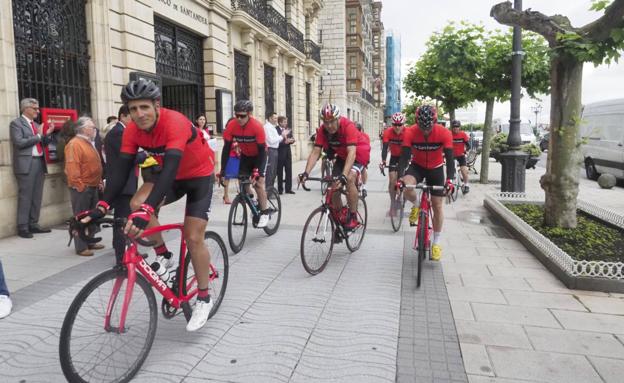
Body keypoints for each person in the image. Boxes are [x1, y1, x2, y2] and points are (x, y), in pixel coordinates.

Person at [80, 79, 217, 332]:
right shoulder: (132, 131)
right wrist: (100, 207)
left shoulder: (173, 122)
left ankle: (204, 297)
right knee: (136, 202)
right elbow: (120, 172)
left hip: (199, 177)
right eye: (133, 109)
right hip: (172, 177)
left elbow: (172, 166)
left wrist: (149, 210)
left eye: (144, 107)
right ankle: (165, 256)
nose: (139, 114)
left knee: (193, 237)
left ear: (156, 105)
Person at [299, 103, 370, 233]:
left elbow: (352, 153)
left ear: (338, 119)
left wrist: (343, 175)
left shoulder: (348, 126)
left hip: (359, 154)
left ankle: (353, 216)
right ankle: (341, 217)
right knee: (333, 187)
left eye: (332, 121)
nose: (329, 125)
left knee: (348, 179)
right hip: (342, 156)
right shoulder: (322, 130)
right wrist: (306, 173)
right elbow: (316, 152)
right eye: (326, 122)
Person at [398, 105, 455, 261]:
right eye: (422, 127)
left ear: (434, 122)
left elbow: (450, 160)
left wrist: (450, 180)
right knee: (406, 186)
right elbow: (404, 157)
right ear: (417, 122)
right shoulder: (410, 131)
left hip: (436, 169)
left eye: (428, 127)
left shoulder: (444, 132)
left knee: (437, 206)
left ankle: (436, 243)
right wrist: (399, 178)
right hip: (417, 166)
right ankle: (417, 205)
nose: (425, 131)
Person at [220, 100, 270, 228]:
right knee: (243, 181)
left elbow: (261, 151)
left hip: (259, 156)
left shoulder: (257, 126)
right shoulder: (232, 125)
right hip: (246, 156)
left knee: (258, 183)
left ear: (249, 114)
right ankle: (253, 199)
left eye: (242, 116)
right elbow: (226, 149)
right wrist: (222, 170)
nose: (239, 119)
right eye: (237, 115)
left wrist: (257, 170)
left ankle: (265, 212)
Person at [9, 98, 54, 238]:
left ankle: (33, 223)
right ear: (25, 108)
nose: (37, 111)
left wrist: (48, 134)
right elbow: (19, 142)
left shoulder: (35, 124)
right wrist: (39, 135)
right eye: (35, 108)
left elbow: (43, 143)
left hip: (39, 162)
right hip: (26, 164)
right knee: (26, 196)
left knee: (37, 195)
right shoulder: (16, 123)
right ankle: (23, 226)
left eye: (37, 108)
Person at [104, 105, 140, 265]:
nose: (135, 121)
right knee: (122, 220)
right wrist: (145, 154)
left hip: (126, 182)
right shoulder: (118, 133)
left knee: (124, 219)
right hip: (122, 184)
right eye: (132, 117)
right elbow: (129, 156)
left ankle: (124, 250)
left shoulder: (123, 131)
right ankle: (122, 258)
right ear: (123, 116)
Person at [65, 117, 105, 256]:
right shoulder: (74, 144)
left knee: (92, 216)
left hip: (92, 185)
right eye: (92, 127)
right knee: (80, 216)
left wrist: (99, 180)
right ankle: (81, 247)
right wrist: (79, 185)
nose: (94, 130)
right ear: (83, 129)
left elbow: (93, 164)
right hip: (82, 187)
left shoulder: (87, 142)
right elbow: (72, 166)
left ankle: (91, 240)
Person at [381, 112, 407, 215]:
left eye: (399, 124)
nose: (397, 127)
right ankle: (393, 204)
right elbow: (385, 148)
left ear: (403, 124)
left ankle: (401, 197)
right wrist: (383, 161)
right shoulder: (388, 132)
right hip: (394, 157)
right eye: (395, 124)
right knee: (392, 181)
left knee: (401, 178)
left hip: (404, 157)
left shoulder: (407, 132)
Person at [263, 111, 286, 192]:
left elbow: (277, 140)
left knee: (274, 172)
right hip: (270, 150)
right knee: (270, 171)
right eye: (275, 118)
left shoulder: (272, 127)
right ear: (270, 118)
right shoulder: (267, 127)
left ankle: (271, 189)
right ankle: (268, 191)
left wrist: (282, 137)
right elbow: (271, 140)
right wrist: (281, 136)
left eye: (276, 118)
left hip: (275, 150)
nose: (276, 120)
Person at [450, 120, 471, 194]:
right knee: (450, 171)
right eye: (454, 127)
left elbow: (468, 145)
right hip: (451, 155)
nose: (456, 128)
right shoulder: (449, 134)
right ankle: (450, 185)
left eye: (457, 126)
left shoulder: (463, 134)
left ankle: (466, 184)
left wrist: (466, 151)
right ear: (452, 127)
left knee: (464, 171)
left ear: (460, 127)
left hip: (461, 155)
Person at [277, 116, 295, 195]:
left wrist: (292, 140)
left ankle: (288, 189)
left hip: (288, 154)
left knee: (289, 171)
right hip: (280, 154)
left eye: (286, 122)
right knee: (280, 172)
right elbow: (275, 142)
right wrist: (285, 142)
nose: (286, 123)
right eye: (284, 122)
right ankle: (280, 190)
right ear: (280, 122)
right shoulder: (276, 130)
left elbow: (292, 138)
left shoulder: (288, 129)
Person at [355, 122, 370, 195]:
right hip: (354, 154)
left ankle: (364, 187)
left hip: (362, 155)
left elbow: (367, 147)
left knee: (363, 168)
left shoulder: (365, 136)